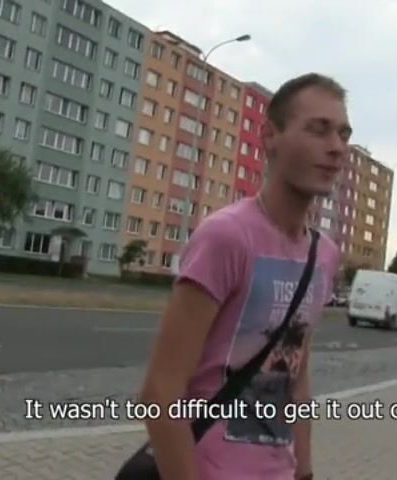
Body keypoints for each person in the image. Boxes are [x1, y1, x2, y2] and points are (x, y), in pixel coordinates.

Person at [137, 73, 347, 480]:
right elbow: (160, 391)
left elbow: (296, 377)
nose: (336, 147)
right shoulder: (227, 237)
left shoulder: (324, 254)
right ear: (270, 137)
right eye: (318, 129)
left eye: (343, 133)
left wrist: (304, 472)